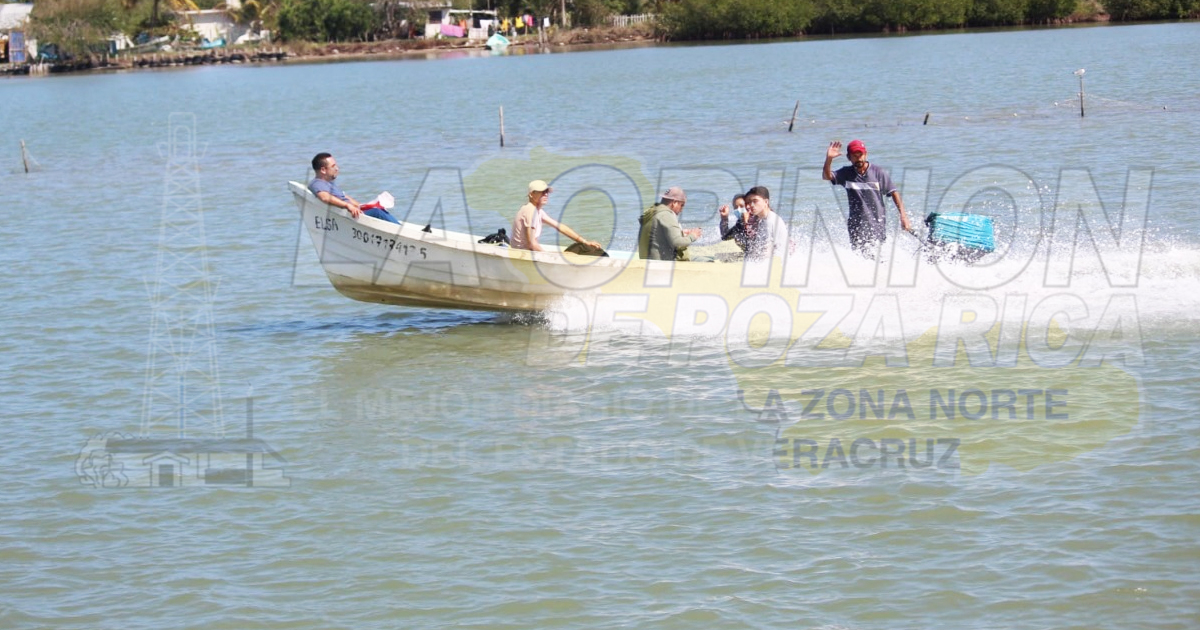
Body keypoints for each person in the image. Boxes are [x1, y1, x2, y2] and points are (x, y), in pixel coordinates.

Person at [822, 139, 912, 253]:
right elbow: (826, 176)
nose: (859, 158)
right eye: (854, 155)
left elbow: (894, 192)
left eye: (861, 154)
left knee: (879, 259)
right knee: (861, 258)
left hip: (877, 225)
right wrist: (829, 159)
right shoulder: (845, 173)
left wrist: (903, 216)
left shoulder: (878, 172)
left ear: (866, 154)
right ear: (849, 158)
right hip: (855, 226)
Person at [511, 180, 602, 252]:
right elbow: (531, 243)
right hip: (523, 254)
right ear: (531, 194)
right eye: (542, 192)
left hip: (529, 252)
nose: (546, 194)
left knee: (580, 247)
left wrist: (585, 242)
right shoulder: (530, 211)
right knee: (578, 251)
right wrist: (547, 256)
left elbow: (560, 227)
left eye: (546, 191)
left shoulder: (538, 212)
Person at [308, 152, 399, 224]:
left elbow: (345, 196)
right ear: (323, 170)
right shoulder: (317, 183)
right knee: (377, 212)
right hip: (349, 216)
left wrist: (361, 206)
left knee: (379, 209)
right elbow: (325, 197)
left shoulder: (329, 183)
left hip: (354, 212)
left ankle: (398, 228)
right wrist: (348, 205)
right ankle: (399, 230)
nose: (337, 168)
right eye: (333, 166)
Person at [638, 187, 702, 261]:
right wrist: (692, 236)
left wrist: (680, 233)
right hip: (661, 265)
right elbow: (677, 243)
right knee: (707, 261)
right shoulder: (666, 215)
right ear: (674, 203)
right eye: (682, 205)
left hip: (647, 262)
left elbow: (657, 235)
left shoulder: (652, 213)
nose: (682, 209)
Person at [726, 186, 790, 261]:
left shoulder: (770, 220)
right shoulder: (762, 219)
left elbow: (766, 253)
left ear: (766, 202)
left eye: (755, 201)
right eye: (748, 202)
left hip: (780, 260)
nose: (750, 205)